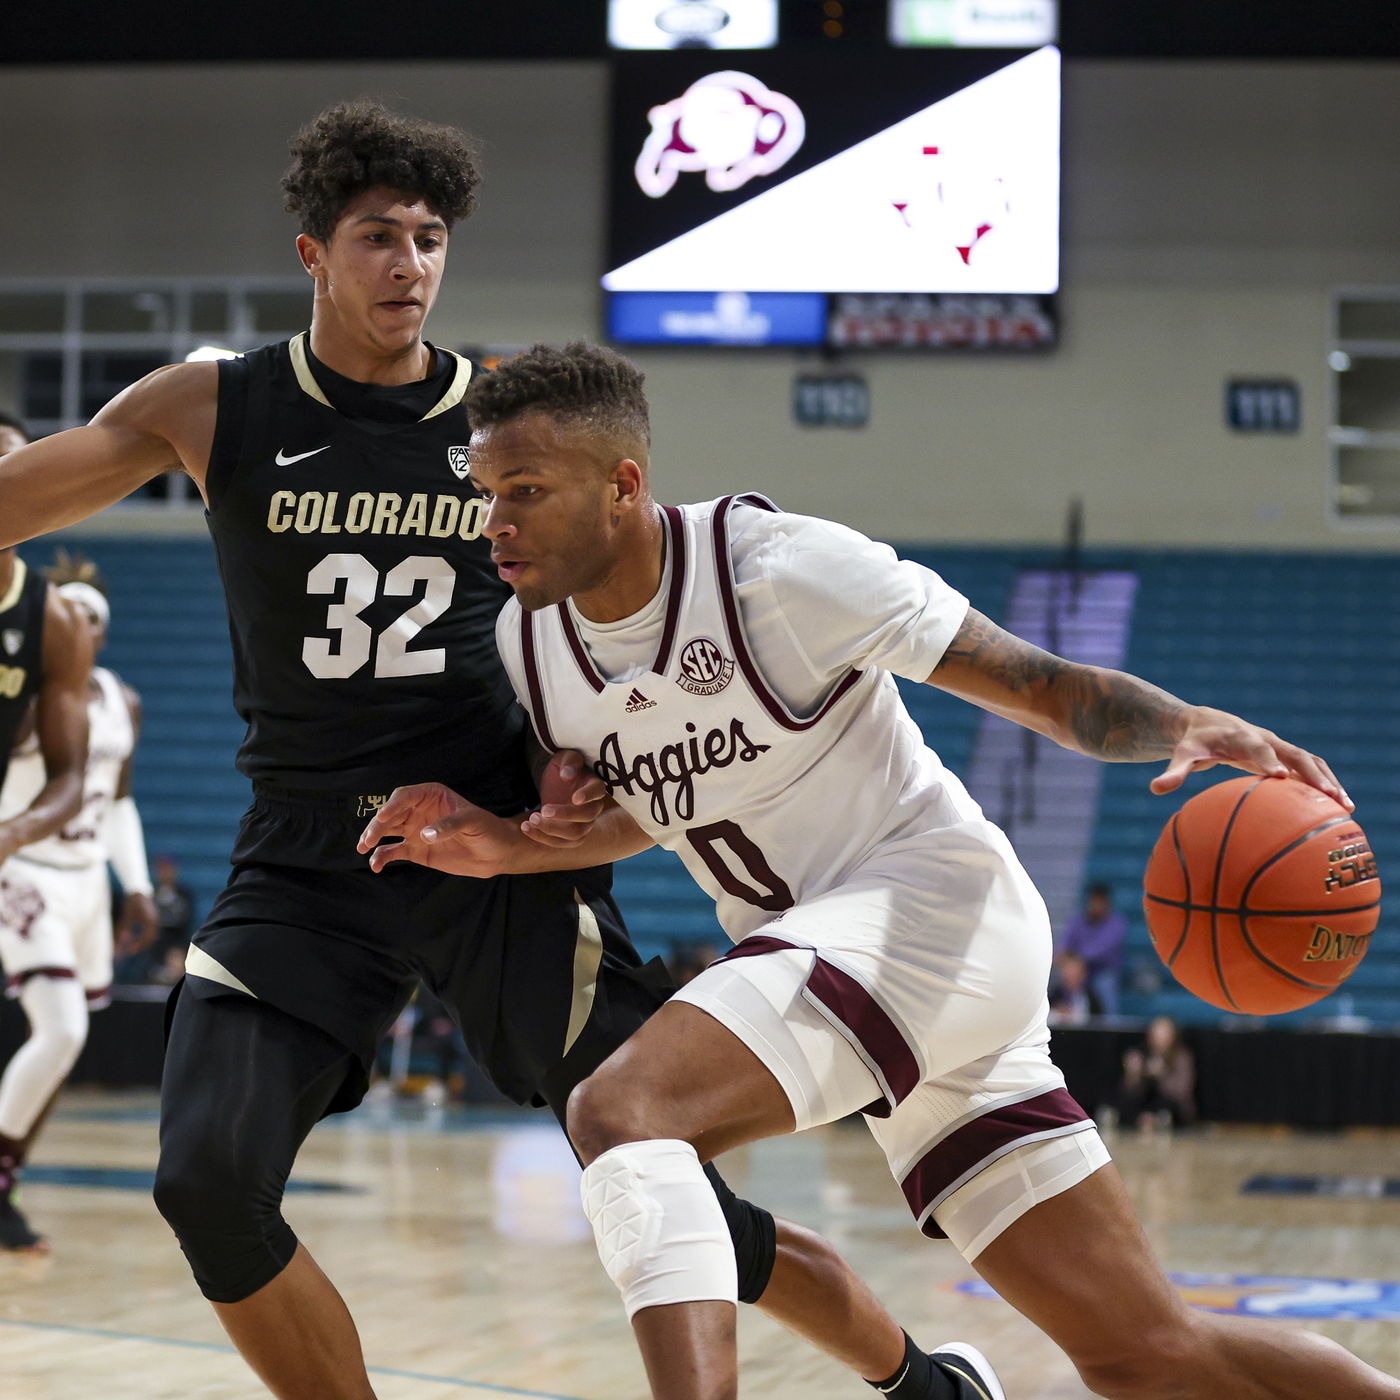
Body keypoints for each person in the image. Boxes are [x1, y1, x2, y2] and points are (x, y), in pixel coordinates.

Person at [0, 104, 972, 1399]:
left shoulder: (503, 419)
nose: (408, 264)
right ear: (312, 255)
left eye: (429, 238)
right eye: (377, 238)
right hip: (307, 853)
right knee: (208, 1183)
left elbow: (619, 599)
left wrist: (580, 754)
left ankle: (918, 1382)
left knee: (663, 1187)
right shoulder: (215, 404)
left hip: (497, 847)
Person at [360, 341, 1396, 1400]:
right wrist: (505, 840)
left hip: (930, 905)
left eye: (524, 491)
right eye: (485, 490)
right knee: (1146, 1353)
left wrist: (1180, 720)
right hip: (880, 979)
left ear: (623, 485)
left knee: (621, 1113)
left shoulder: (780, 568)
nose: (495, 520)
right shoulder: (531, 646)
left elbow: (1039, 686)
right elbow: (660, 809)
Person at [0, 414, 96, 1252]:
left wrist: (11, 831)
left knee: (61, 1033)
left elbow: (74, 780)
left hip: (27, 855)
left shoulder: (51, 617)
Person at [1059, 882, 1128, 1016]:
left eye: (1099, 902)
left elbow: (1100, 950)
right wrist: (1066, 961)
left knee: (1105, 987)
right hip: (1078, 970)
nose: (1095, 906)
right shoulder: (1077, 921)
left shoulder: (1116, 923)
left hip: (1103, 971)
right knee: (1064, 981)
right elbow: (1065, 946)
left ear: (1106, 903)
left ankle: (1109, 1026)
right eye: (1093, 902)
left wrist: (1077, 959)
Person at [1117, 1017, 1195, 1133]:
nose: (1159, 1039)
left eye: (1164, 1034)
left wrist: (1162, 1075)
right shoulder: (1141, 1055)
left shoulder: (1182, 1057)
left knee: (1169, 1106)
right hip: (1143, 1108)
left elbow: (1182, 1092)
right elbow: (1128, 1090)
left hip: (1172, 1109)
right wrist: (1134, 1073)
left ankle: (1157, 1119)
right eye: (1156, 1034)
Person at [1047, 952, 1093, 1026]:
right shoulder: (1054, 995)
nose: (1071, 976)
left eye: (1076, 974)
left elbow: (1097, 1020)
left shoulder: (1091, 997)